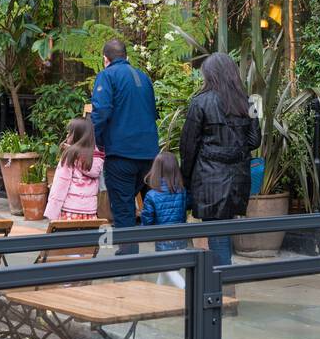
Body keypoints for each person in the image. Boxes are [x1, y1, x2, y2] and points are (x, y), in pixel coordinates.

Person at [179, 52, 261, 265]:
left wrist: (185, 179)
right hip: (239, 178)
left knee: (217, 236)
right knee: (223, 233)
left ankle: (220, 287)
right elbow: (255, 140)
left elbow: (188, 147)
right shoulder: (250, 102)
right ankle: (225, 285)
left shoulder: (200, 103)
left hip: (210, 179)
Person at [90, 38, 160, 247]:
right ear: (126, 57)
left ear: (105, 59)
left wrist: (97, 143)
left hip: (121, 154)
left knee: (123, 211)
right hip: (149, 155)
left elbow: (101, 113)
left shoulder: (106, 76)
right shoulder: (144, 77)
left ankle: (127, 262)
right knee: (148, 208)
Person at [140, 151, 188, 288]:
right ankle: (157, 292)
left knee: (169, 270)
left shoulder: (152, 195)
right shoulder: (182, 191)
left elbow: (147, 220)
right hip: (181, 238)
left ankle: (189, 293)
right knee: (164, 270)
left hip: (163, 241)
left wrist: (143, 231)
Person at [44, 117, 104, 221]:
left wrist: (52, 212)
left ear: (77, 136)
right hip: (90, 212)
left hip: (69, 211)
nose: (67, 136)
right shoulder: (97, 157)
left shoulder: (70, 155)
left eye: (69, 133)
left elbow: (60, 184)